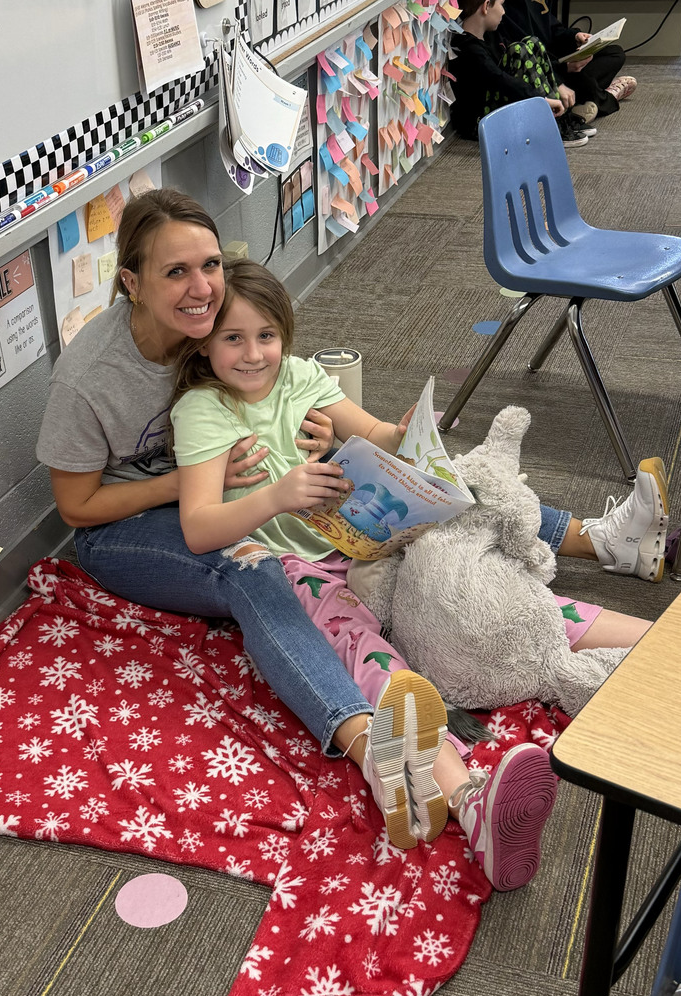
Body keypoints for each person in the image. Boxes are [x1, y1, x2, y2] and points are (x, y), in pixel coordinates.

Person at [35, 187, 560, 890]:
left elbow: (292, 378)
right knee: (250, 568)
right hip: (124, 529)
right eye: (175, 273)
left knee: (445, 487)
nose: (201, 289)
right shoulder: (91, 380)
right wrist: (197, 478)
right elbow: (76, 507)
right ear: (129, 281)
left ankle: (588, 537)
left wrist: (343, 436)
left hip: (241, 498)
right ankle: (366, 742)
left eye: (210, 265)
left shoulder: (223, 328)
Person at [167, 257, 657, 886]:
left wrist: (401, 439)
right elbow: (198, 527)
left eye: (267, 335)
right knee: (369, 657)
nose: (255, 354)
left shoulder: (300, 377)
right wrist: (276, 497)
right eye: (233, 338)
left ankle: (667, 647)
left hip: (374, 542)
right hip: (294, 563)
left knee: (488, 592)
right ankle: (471, 800)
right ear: (205, 346)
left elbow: (373, 434)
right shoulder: (203, 411)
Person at [449, 0, 591, 147]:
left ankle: (557, 120)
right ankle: (550, 123)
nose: (503, 11)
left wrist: (563, 67)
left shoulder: (492, 37)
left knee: (532, 42)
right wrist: (540, 100)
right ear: (486, 7)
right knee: (518, 50)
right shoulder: (468, 47)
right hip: (481, 122)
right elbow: (500, 80)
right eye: (501, 5)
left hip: (496, 106)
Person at [498, 0, 636, 121]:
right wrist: (563, 68)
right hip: (540, 69)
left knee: (615, 53)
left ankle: (581, 98)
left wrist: (575, 36)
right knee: (575, 77)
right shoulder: (504, 9)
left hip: (556, 58)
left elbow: (554, 29)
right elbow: (526, 59)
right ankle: (605, 97)